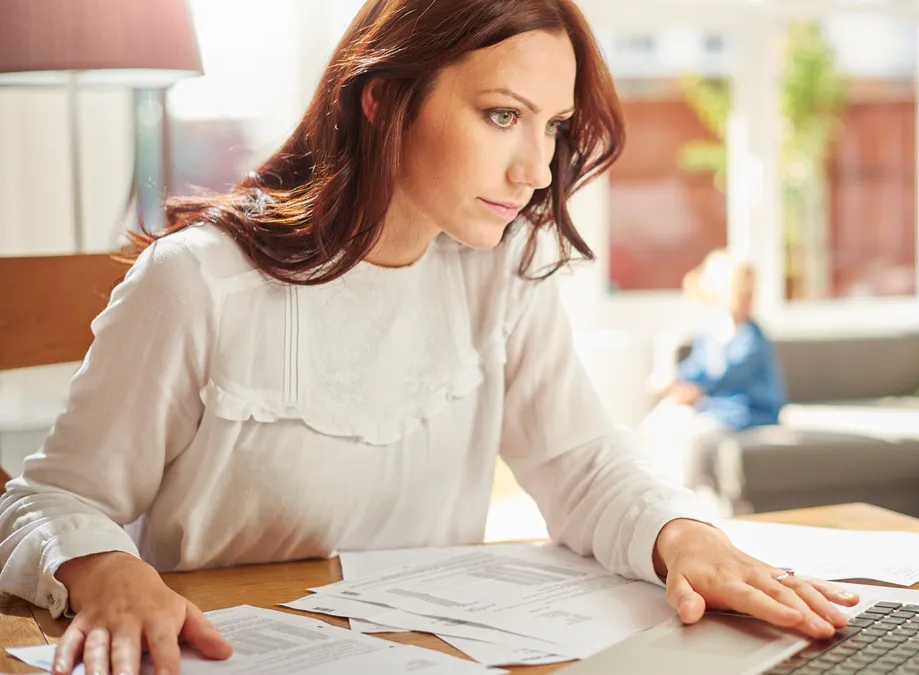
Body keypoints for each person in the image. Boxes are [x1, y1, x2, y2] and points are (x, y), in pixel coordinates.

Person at [0, 2, 858, 674]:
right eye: (500, 115)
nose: (534, 169)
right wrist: (101, 569)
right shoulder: (198, 284)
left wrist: (687, 535)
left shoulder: (504, 272)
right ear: (384, 100)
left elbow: (582, 462)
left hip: (437, 654)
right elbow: (50, 500)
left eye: (553, 126)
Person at [641, 250, 786, 510]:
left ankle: (687, 499)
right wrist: (674, 379)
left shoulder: (752, 337)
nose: (746, 301)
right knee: (660, 421)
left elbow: (728, 374)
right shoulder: (711, 334)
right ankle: (658, 493)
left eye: (749, 294)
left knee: (693, 435)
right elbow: (696, 367)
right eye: (740, 293)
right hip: (716, 405)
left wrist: (695, 390)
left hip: (748, 410)